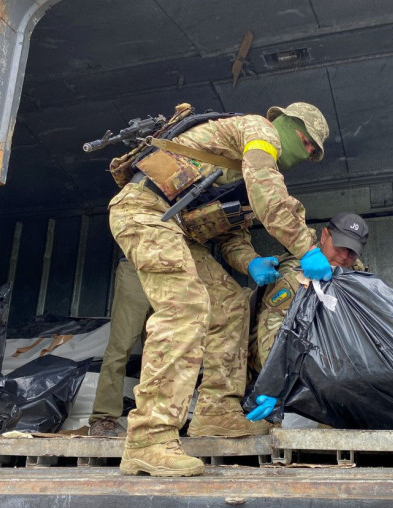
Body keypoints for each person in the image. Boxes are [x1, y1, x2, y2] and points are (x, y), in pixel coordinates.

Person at [108, 102, 331, 477]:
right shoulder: (260, 130)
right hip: (143, 211)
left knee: (230, 303)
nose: (307, 155)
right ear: (287, 124)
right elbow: (269, 195)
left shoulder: (240, 167)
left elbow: (230, 235)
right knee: (185, 308)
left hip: (177, 229)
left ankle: (217, 412)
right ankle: (149, 438)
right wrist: (306, 246)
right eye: (307, 143)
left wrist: (250, 263)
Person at [250, 212, 370, 375]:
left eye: (351, 252)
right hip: (286, 363)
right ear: (324, 236)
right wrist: (273, 380)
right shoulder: (297, 274)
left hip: (331, 364)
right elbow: (271, 325)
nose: (343, 257)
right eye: (340, 246)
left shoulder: (355, 273)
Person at [88, 257, 151, 437]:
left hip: (174, 272)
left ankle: (156, 419)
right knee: (120, 348)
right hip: (137, 265)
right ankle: (103, 418)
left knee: (162, 353)